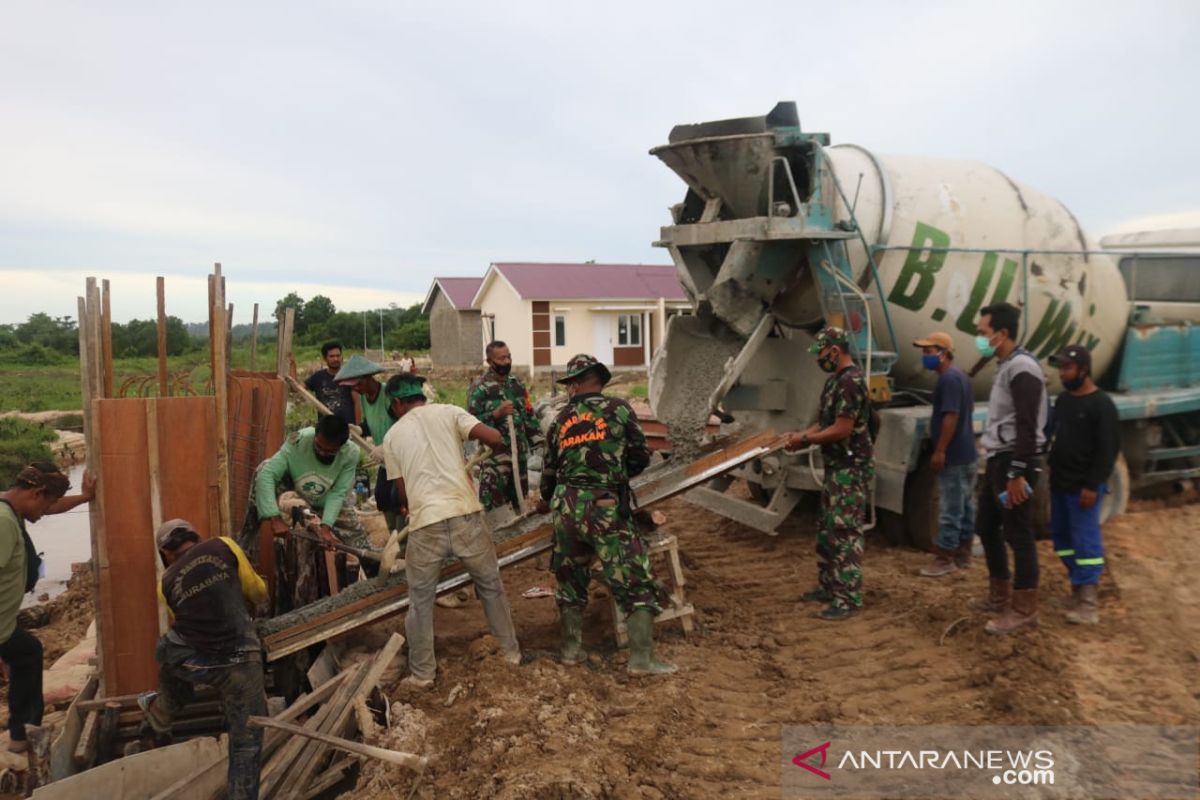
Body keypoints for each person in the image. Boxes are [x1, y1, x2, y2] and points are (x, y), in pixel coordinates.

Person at [380, 373, 521, 688]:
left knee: (420, 601)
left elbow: (402, 496)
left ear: (397, 402)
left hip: (425, 522)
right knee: (490, 586)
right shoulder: (450, 412)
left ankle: (422, 674)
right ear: (421, 395)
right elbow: (495, 439)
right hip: (464, 513)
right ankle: (510, 655)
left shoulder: (392, 437)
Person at [537, 354, 675, 674]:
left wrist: (554, 498)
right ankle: (642, 659)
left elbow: (548, 475)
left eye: (571, 383)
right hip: (605, 507)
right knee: (633, 578)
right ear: (599, 379)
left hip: (567, 508)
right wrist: (615, 476)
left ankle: (572, 651)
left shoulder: (559, 420)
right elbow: (640, 455)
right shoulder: (619, 409)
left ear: (575, 384)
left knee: (570, 581)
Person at [139, 520, 267, 800]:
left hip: (203, 664)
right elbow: (257, 591)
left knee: (166, 648)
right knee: (246, 746)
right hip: (245, 661)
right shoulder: (225, 545)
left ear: (165, 553)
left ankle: (164, 709)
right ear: (195, 537)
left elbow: (191, 625)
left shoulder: (166, 581)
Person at [785, 327, 875, 622]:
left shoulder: (851, 382)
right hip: (836, 467)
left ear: (835, 351)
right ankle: (828, 586)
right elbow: (823, 423)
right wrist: (799, 435)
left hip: (850, 469)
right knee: (827, 530)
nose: (818, 360)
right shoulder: (834, 381)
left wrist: (806, 441)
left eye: (821, 354)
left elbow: (842, 429)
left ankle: (848, 598)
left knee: (845, 533)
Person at [973, 302, 1049, 635]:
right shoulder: (1005, 365)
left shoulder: (1022, 368)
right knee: (986, 525)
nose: (979, 339)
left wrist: (1018, 473)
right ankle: (999, 594)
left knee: (1018, 534)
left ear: (1002, 333)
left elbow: (1028, 424)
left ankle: (1024, 610)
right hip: (998, 458)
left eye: (983, 332)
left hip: (1014, 462)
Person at [0, 464, 74, 753]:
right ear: (35, 493)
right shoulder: (4, 522)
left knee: (27, 652)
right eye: (48, 504)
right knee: (27, 653)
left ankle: (23, 732)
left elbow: (48, 507)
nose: (46, 512)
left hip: (4, 626)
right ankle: (24, 731)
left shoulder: (11, 508)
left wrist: (84, 497)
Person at [1047, 345, 1119, 625]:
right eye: (1061, 368)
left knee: (1085, 541)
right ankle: (1076, 591)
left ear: (1083, 370)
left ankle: (1088, 604)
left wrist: (1093, 485)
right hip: (1060, 484)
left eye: (1067, 368)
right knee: (1063, 540)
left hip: (1083, 488)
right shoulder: (1064, 400)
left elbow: (1108, 450)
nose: (1062, 374)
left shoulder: (1101, 405)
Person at [252, 414, 374, 576]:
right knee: (263, 469)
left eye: (329, 451)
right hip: (293, 481)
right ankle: (247, 547)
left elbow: (338, 493)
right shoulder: (299, 441)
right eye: (318, 447)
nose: (322, 453)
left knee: (359, 542)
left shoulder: (350, 453)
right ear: (316, 436)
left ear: (341, 446)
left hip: (327, 494)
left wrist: (326, 527)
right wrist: (274, 517)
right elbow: (267, 475)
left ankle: (372, 576)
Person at [913, 332, 978, 577]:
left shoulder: (948, 379)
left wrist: (940, 450)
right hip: (967, 452)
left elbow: (951, 415)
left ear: (943, 353)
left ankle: (944, 558)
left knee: (950, 506)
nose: (924, 356)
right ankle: (964, 554)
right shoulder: (960, 376)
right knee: (966, 505)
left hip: (954, 454)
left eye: (929, 352)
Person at [468, 341, 544, 514]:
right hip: (495, 459)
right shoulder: (479, 389)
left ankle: (518, 538)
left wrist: (539, 442)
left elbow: (529, 415)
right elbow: (471, 426)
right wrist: (495, 414)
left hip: (520, 457)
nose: (507, 361)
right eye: (501, 358)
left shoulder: (516, 385)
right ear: (490, 361)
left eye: (509, 356)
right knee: (495, 509)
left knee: (519, 502)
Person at [336, 355, 404, 531]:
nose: (356, 389)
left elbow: (404, 424)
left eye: (358, 384)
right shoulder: (365, 398)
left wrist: (386, 445)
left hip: (400, 454)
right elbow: (372, 422)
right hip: (385, 459)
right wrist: (360, 429)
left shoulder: (388, 395)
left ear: (368, 378)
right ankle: (394, 537)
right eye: (353, 387)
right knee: (382, 496)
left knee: (398, 497)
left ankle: (403, 543)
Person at [305, 341, 357, 426]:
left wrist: (357, 427)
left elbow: (356, 403)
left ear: (342, 357)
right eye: (332, 356)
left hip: (347, 428)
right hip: (326, 428)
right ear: (325, 358)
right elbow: (297, 388)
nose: (335, 359)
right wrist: (292, 366)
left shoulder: (349, 376)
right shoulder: (318, 377)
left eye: (338, 356)